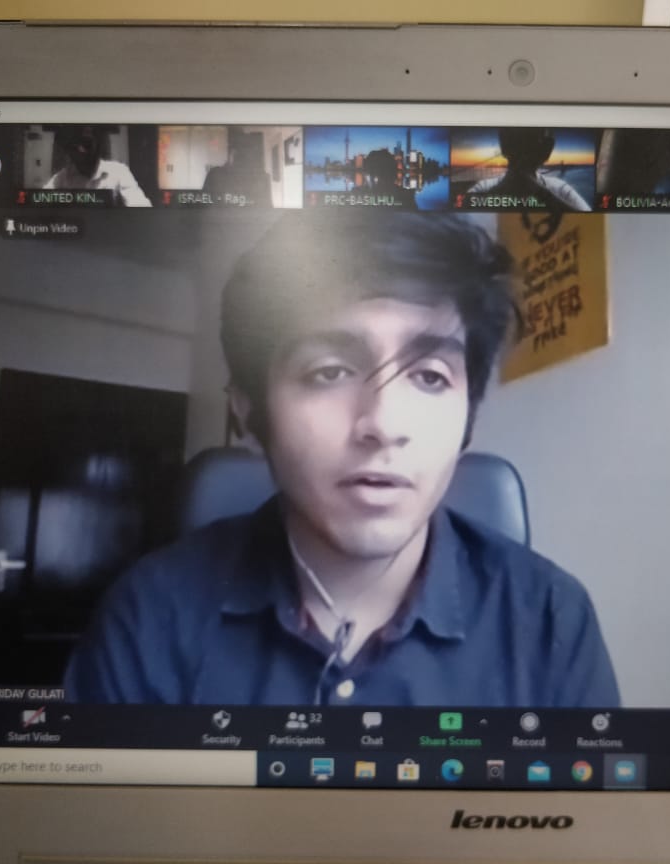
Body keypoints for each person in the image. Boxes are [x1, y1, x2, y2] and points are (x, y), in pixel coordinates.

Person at [64, 211, 619, 706]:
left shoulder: (552, 622)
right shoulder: (149, 617)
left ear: (467, 418)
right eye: (329, 372)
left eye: (430, 377)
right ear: (250, 413)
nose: (384, 425)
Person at [465, 128, 591, 212]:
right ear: (547, 152)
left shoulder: (483, 188)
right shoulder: (561, 190)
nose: (524, 154)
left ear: (504, 148)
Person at [44, 125, 152, 207]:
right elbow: (39, 206)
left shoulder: (119, 172)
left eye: (86, 144)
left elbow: (142, 208)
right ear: (68, 151)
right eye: (75, 145)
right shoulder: (61, 179)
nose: (81, 150)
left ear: (98, 145)